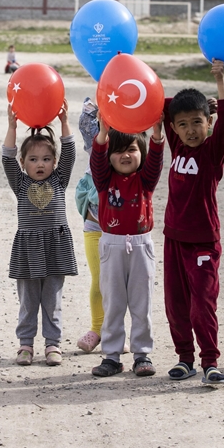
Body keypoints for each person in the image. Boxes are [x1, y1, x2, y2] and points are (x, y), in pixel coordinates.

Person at [161, 59, 224, 385]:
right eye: (183, 124)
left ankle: (210, 361)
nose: (190, 130)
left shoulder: (211, 152)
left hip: (203, 240)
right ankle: (185, 359)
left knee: (201, 303)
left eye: (197, 122)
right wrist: (200, 102)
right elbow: (162, 106)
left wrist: (218, 85)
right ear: (174, 129)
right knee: (176, 304)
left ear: (208, 124)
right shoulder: (176, 143)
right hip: (173, 238)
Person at [89, 114, 165, 377]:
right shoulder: (103, 181)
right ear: (109, 156)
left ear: (141, 153)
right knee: (113, 303)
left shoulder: (145, 180)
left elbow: (155, 162)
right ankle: (111, 355)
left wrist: (156, 135)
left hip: (141, 246)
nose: (125, 155)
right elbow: (97, 159)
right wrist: (103, 133)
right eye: (118, 151)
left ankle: (142, 353)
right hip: (111, 246)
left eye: (131, 149)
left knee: (141, 303)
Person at [3, 100, 77, 367]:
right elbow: (6, 156)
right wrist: (12, 126)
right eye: (33, 159)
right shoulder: (20, 184)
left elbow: (70, 153)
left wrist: (65, 122)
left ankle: (52, 344)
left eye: (46, 159)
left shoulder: (59, 179)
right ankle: (25, 344)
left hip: (56, 246)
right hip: (28, 248)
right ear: (23, 163)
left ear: (54, 162)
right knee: (28, 300)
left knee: (52, 299)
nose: (40, 164)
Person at [74, 98, 105, 353]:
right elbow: (85, 121)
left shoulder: (134, 139)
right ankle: (97, 328)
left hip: (125, 229)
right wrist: (99, 104)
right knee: (98, 279)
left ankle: (116, 330)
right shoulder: (96, 140)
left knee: (121, 285)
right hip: (95, 225)